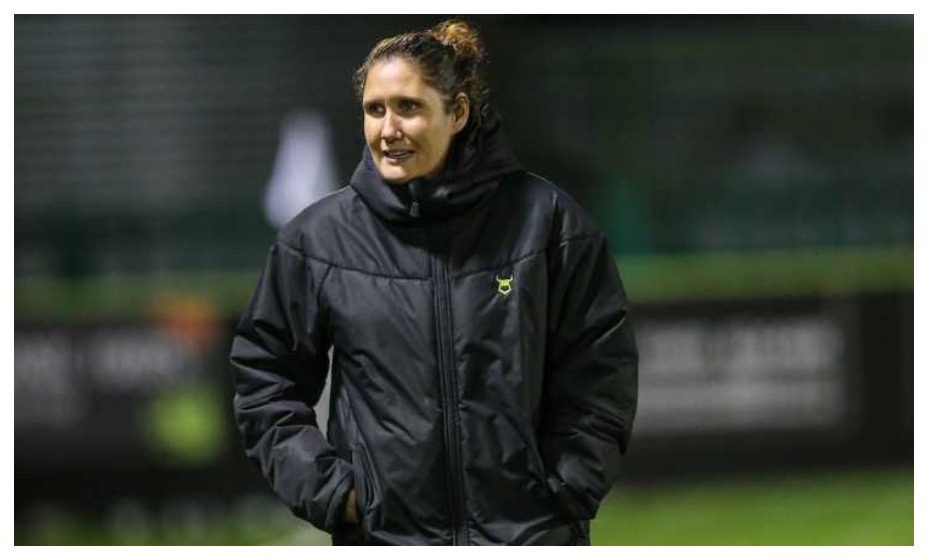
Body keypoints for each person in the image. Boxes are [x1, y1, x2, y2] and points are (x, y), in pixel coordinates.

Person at [229, 19, 638, 546]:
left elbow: (601, 367)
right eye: (375, 109)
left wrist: (567, 487)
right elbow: (264, 376)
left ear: (458, 112)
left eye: (408, 107)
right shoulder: (317, 240)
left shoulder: (548, 223)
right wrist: (334, 492)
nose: (388, 129)